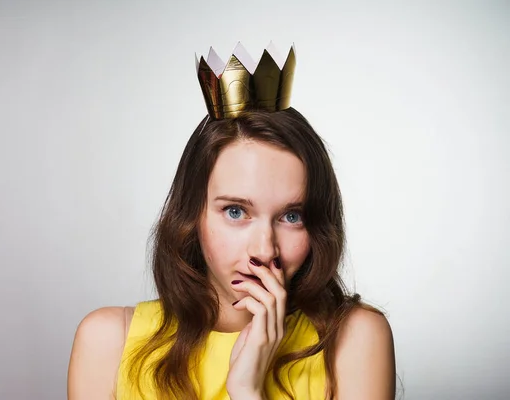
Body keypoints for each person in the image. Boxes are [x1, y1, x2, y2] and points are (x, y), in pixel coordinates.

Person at [67, 43, 396, 400]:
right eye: (236, 212)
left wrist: (247, 390)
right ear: (192, 214)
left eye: (291, 216)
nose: (264, 250)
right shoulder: (109, 344)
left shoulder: (355, 339)